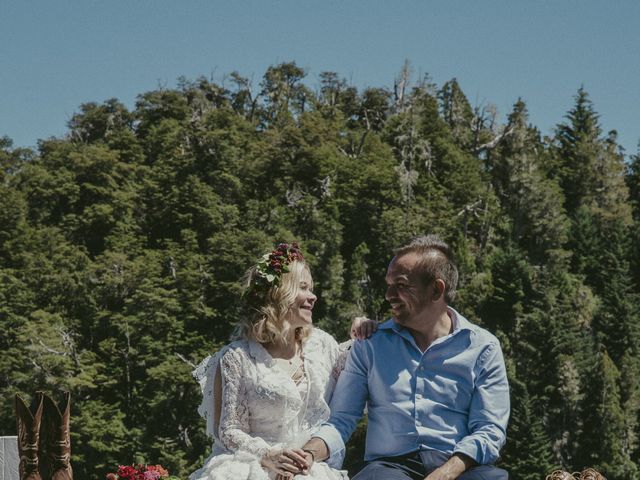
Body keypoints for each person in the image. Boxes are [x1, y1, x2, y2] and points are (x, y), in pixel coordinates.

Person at [300, 235, 510, 480]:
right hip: (389, 468)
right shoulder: (370, 344)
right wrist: (309, 453)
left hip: (460, 465)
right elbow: (341, 420)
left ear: (436, 289)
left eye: (400, 285)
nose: (389, 295)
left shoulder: (483, 347)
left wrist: (446, 473)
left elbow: (489, 429)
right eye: (388, 285)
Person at [190, 243, 350, 480]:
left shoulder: (323, 345)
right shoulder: (238, 357)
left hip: (307, 466)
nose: (313, 296)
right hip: (251, 464)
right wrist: (269, 455)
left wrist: (363, 330)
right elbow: (229, 430)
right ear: (278, 295)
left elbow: (362, 371)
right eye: (303, 288)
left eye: (311, 288)